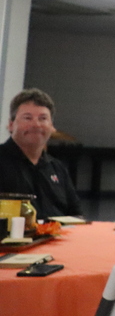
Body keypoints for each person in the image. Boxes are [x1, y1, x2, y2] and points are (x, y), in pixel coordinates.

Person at [0, 88, 82, 219]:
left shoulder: (58, 169)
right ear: (11, 125)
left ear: (52, 127)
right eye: (27, 118)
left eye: (43, 118)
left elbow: (76, 215)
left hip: (59, 237)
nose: (36, 124)